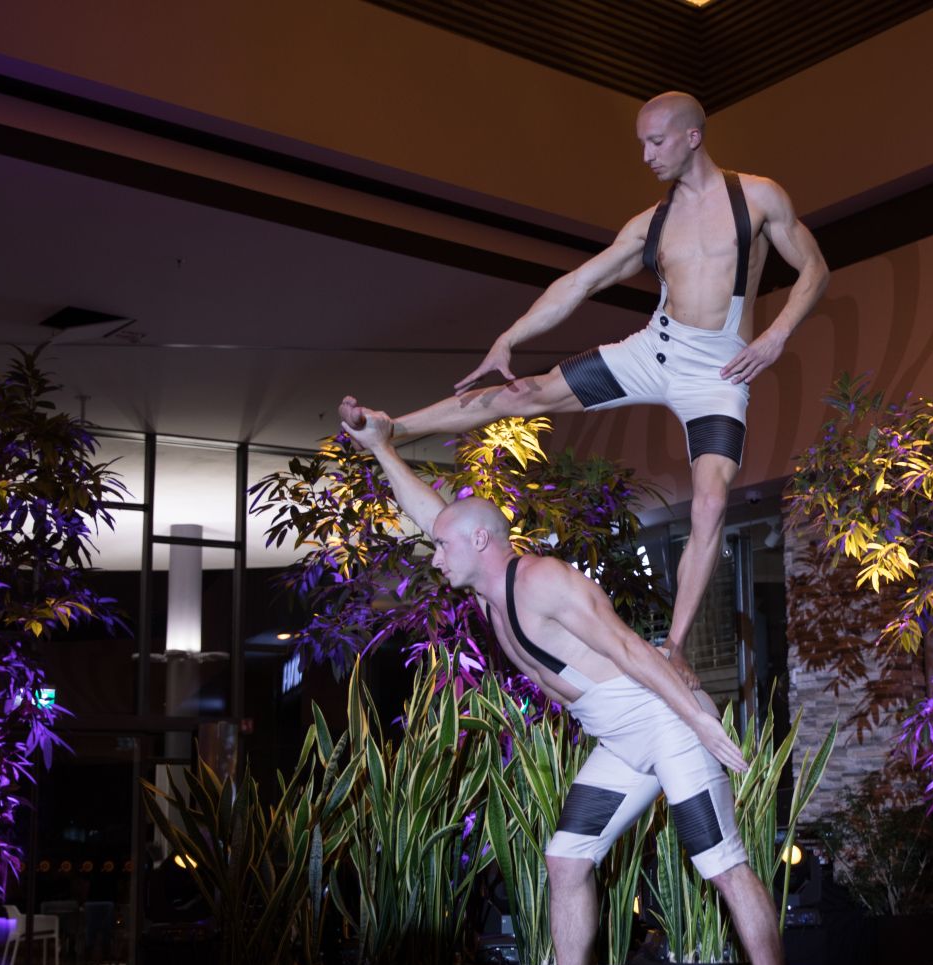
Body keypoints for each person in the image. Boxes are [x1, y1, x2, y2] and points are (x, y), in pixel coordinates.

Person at [338, 401, 802, 965]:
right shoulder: (489, 589)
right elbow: (434, 515)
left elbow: (631, 649)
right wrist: (382, 448)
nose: (434, 554)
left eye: (443, 545)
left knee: (720, 862)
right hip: (620, 739)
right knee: (566, 859)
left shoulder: (543, 582)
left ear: (480, 542)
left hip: (663, 721)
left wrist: (698, 720)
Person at [342, 91, 828, 686]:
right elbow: (578, 284)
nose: (646, 156)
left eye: (657, 142)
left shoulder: (757, 198)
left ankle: (675, 648)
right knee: (527, 393)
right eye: (641, 144)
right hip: (656, 349)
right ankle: (394, 426)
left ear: (693, 137)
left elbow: (814, 268)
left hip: (718, 374)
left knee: (709, 502)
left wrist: (776, 337)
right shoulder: (651, 224)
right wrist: (510, 337)